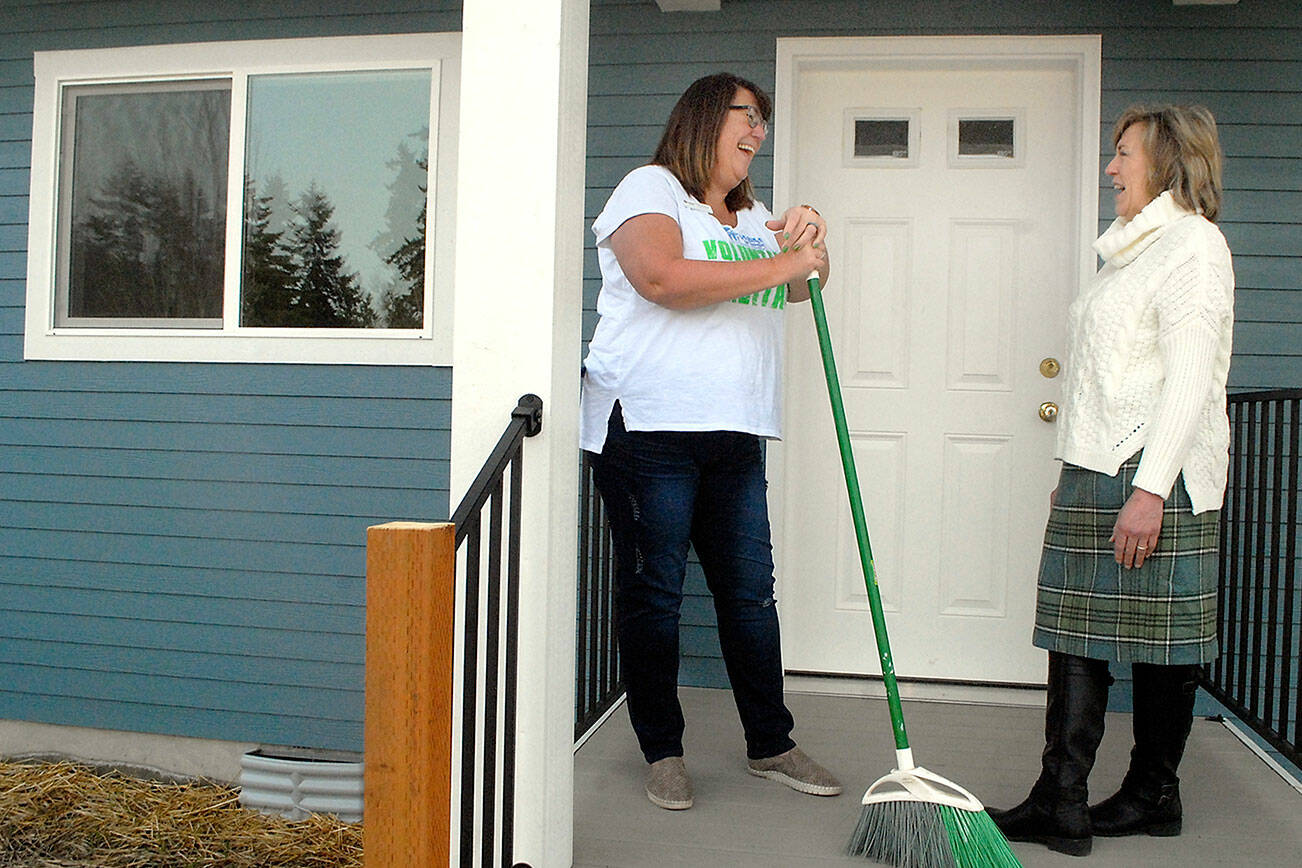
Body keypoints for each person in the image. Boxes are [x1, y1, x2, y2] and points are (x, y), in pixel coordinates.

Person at [579, 72, 837, 811]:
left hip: (735, 429)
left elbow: (801, 286)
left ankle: (771, 743)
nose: (757, 131)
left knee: (751, 594)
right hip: (650, 425)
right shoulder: (650, 191)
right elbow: (659, 276)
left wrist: (808, 243)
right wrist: (784, 262)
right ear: (702, 118)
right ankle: (663, 750)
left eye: (764, 122)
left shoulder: (752, 220)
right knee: (655, 595)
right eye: (745, 116)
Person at [990, 104, 1234, 857]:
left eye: (1123, 154)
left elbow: (1191, 376)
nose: (1111, 168)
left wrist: (1151, 488)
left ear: (1164, 160)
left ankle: (1153, 794)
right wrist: (1071, 467)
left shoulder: (1193, 244)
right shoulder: (1130, 253)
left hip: (1150, 469)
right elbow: (1104, 376)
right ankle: (1060, 801)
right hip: (1098, 468)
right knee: (1073, 638)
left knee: (1164, 645)